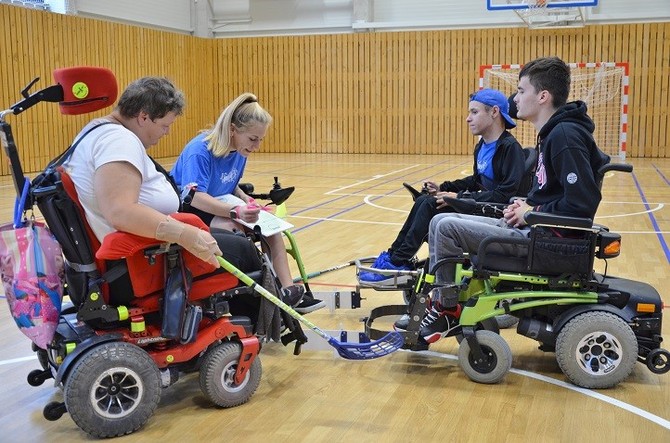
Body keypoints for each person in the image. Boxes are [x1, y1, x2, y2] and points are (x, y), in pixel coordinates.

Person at [417, 56, 610, 344]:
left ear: (543, 96)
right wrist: (525, 204)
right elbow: (553, 194)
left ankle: (447, 308)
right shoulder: (553, 133)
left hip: (546, 239)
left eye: (521, 91)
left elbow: (582, 203)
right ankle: (446, 302)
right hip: (538, 228)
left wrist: (533, 212)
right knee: (439, 220)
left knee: (445, 226)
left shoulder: (564, 136)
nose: (514, 98)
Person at [63, 77, 263, 322]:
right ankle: (255, 328)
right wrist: (186, 234)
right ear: (144, 117)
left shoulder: (94, 130)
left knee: (231, 241)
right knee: (243, 251)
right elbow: (121, 212)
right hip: (139, 262)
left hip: (131, 254)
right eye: (165, 125)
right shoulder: (118, 142)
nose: (166, 133)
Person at [170, 92, 325, 314]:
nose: (257, 146)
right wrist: (237, 211)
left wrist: (248, 200)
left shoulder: (239, 151)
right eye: (253, 139)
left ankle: (288, 292)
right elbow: (194, 196)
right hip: (193, 207)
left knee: (272, 229)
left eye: (260, 139)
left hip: (223, 203)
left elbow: (230, 183)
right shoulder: (200, 151)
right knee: (235, 230)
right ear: (232, 130)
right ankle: (253, 297)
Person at [359, 88, 526, 285]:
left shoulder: (509, 148)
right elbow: (475, 180)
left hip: (499, 213)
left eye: (474, 112)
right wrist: (442, 188)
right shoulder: (482, 146)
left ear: (494, 112)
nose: (467, 118)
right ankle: (394, 256)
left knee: (431, 206)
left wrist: (459, 199)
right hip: (483, 205)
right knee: (424, 199)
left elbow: (504, 194)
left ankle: (398, 260)